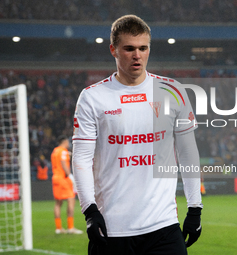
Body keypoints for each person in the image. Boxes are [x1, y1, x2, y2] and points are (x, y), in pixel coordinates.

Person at [72, 15, 202, 255]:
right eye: (129, 48)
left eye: (143, 48)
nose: (137, 55)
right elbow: (81, 157)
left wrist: (195, 208)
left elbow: (187, 152)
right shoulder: (92, 97)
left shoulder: (173, 91)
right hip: (113, 229)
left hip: (163, 226)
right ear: (113, 49)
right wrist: (90, 210)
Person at [51, 135, 83, 234]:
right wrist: (70, 176)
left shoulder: (55, 151)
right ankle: (70, 227)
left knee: (58, 203)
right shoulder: (63, 151)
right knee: (71, 200)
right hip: (63, 179)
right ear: (64, 142)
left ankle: (58, 228)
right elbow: (63, 163)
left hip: (55, 178)